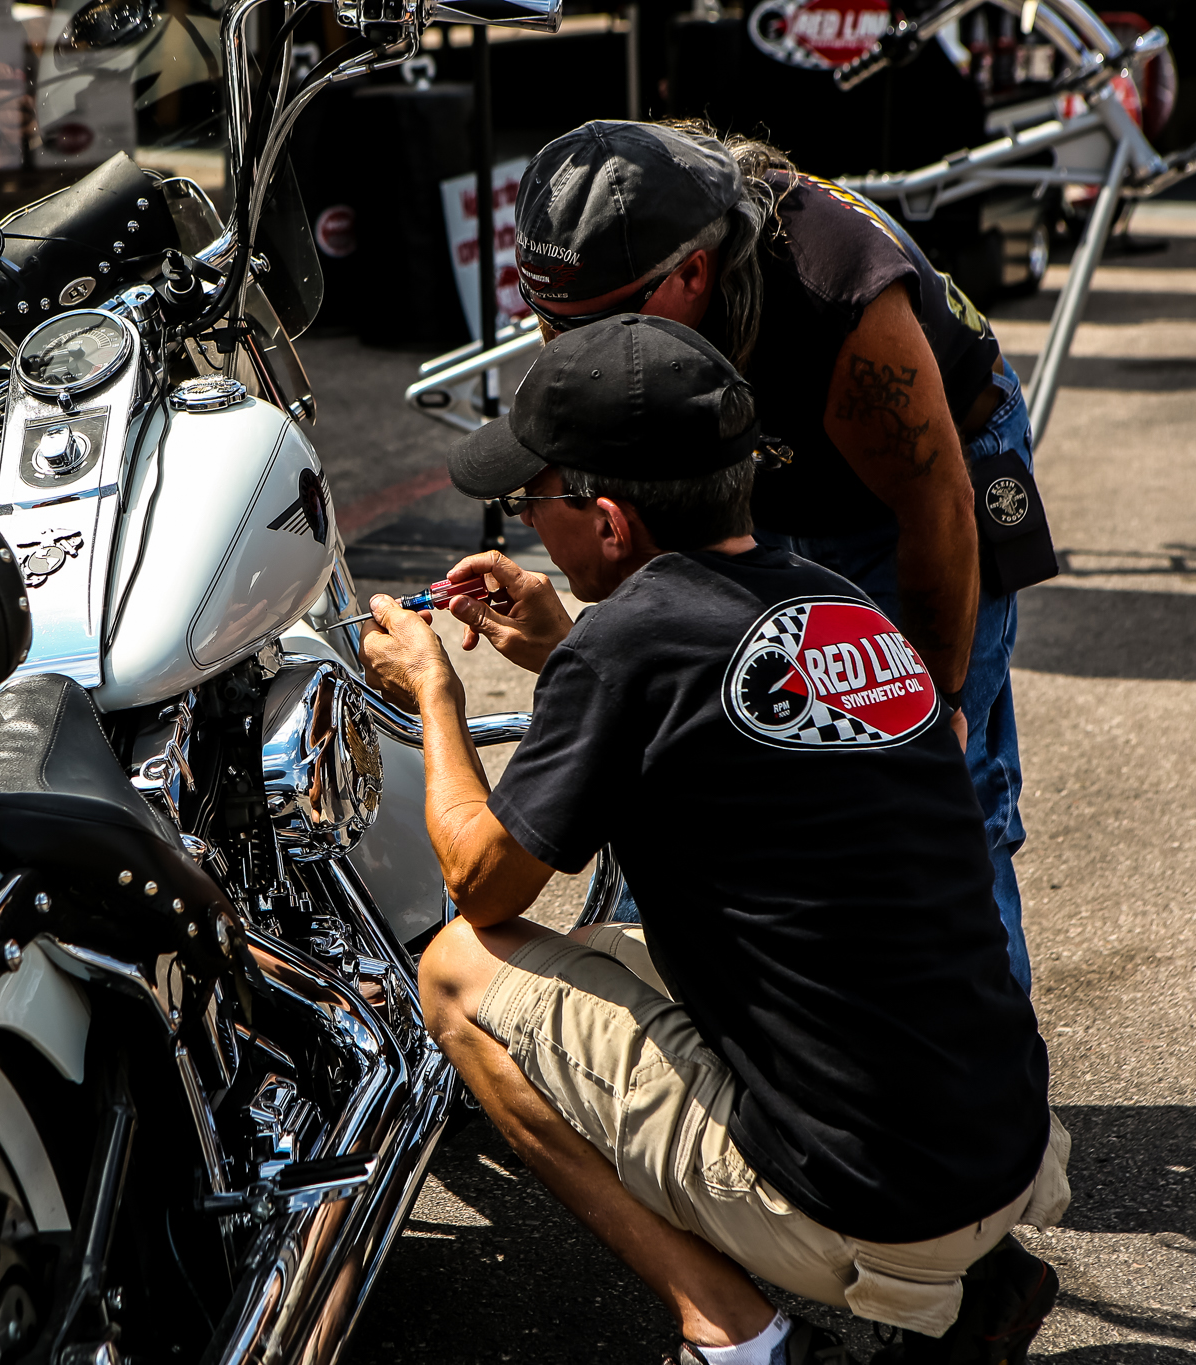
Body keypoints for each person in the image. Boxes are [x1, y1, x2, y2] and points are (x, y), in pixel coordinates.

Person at [360, 315, 1069, 1365]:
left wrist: (433, 692)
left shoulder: (627, 649)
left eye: (532, 501)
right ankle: (967, 1283)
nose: (520, 527)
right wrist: (566, 646)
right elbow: (707, 713)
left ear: (607, 522)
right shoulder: (838, 606)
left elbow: (481, 883)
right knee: (604, 958)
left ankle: (737, 1335)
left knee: (461, 975)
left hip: (864, 1202)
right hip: (1000, 1146)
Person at [491, 119, 1040, 990]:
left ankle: (1000, 1091)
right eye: (549, 324)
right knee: (699, 762)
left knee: (934, 802)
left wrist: (931, 706)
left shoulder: (838, 301)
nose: (571, 352)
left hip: (910, 491)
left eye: (594, 326)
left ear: (694, 273)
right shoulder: (625, 250)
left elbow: (938, 511)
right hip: (772, 462)